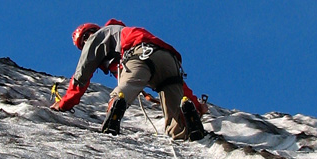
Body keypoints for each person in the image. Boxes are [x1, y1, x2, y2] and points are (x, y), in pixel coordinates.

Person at [53, 19, 206, 140]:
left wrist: (64, 104)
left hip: (138, 54)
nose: (86, 42)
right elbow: (181, 86)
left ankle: (116, 108)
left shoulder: (98, 37)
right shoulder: (121, 34)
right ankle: (187, 125)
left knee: (124, 89)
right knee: (175, 109)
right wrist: (197, 105)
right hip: (168, 59)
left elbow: (82, 75)